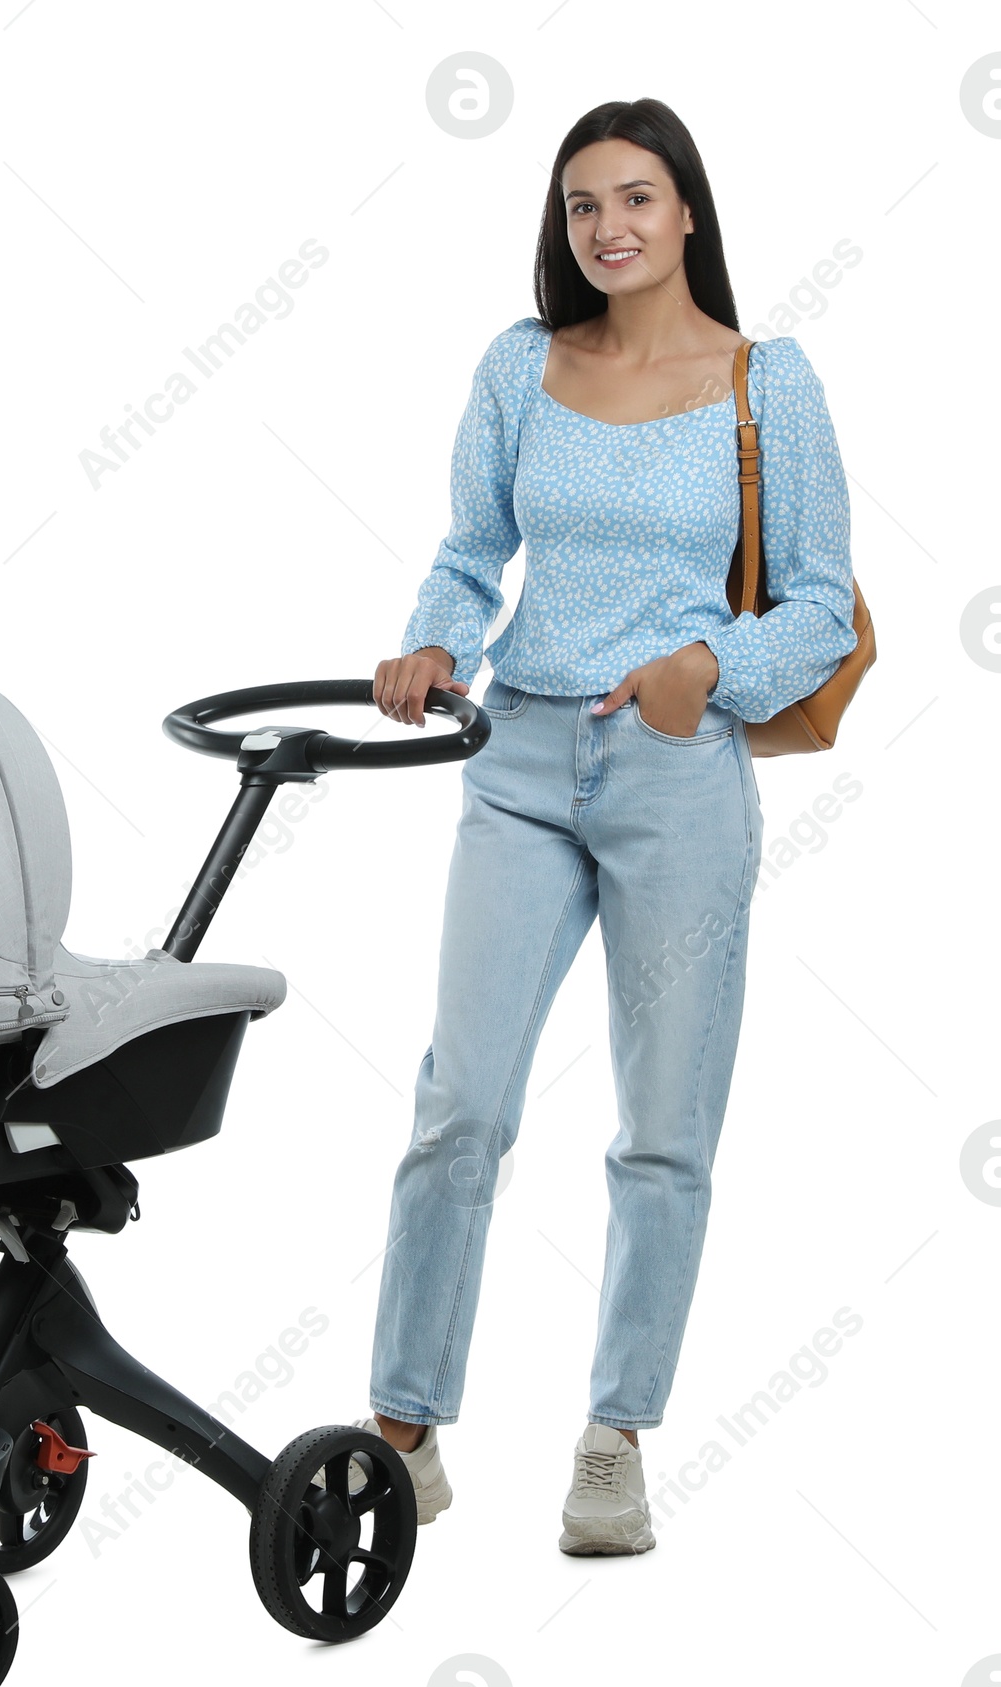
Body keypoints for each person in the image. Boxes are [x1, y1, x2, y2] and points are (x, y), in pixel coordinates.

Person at [355, 98, 858, 1554]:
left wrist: (714, 670)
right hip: (518, 756)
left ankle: (614, 1433)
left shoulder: (769, 383)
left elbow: (821, 600)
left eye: (637, 198)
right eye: (583, 206)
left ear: (688, 210)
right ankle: (402, 1426)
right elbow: (469, 550)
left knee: (663, 1128)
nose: (610, 228)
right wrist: (431, 641)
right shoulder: (523, 365)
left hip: (677, 773)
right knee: (464, 1103)